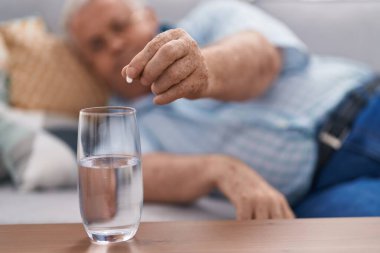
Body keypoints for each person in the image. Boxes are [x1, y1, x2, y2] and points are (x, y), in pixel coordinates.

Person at [63, 0, 380, 219]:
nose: (115, 45)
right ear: (90, 67)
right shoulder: (119, 127)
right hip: (323, 191)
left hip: (367, 109)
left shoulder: (214, 16)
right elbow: (127, 178)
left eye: (120, 26)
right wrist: (219, 169)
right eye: (97, 46)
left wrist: (202, 69)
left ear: (148, 15)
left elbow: (261, 59)